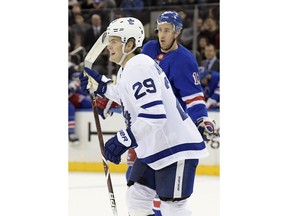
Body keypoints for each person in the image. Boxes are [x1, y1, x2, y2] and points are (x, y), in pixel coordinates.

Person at [78, 17, 210, 216]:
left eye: (114, 41)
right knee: (137, 196)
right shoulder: (130, 67)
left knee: (173, 206)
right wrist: (103, 86)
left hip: (174, 147)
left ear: (129, 44)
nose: (109, 47)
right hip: (156, 147)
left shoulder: (138, 67)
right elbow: (126, 94)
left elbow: (154, 115)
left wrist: (123, 139)